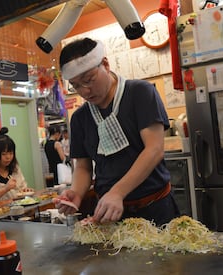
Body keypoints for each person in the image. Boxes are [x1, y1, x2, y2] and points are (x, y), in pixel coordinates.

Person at [54, 38, 180, 226]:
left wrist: (118, 192)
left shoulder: (140, 93)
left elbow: (154, 149)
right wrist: (76, 193)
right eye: (76, 85)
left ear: (105, 64)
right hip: (109, 213)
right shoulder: (80, 117)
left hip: (154, 207)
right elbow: (83, 166)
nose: (85, 91)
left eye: (89, 80)